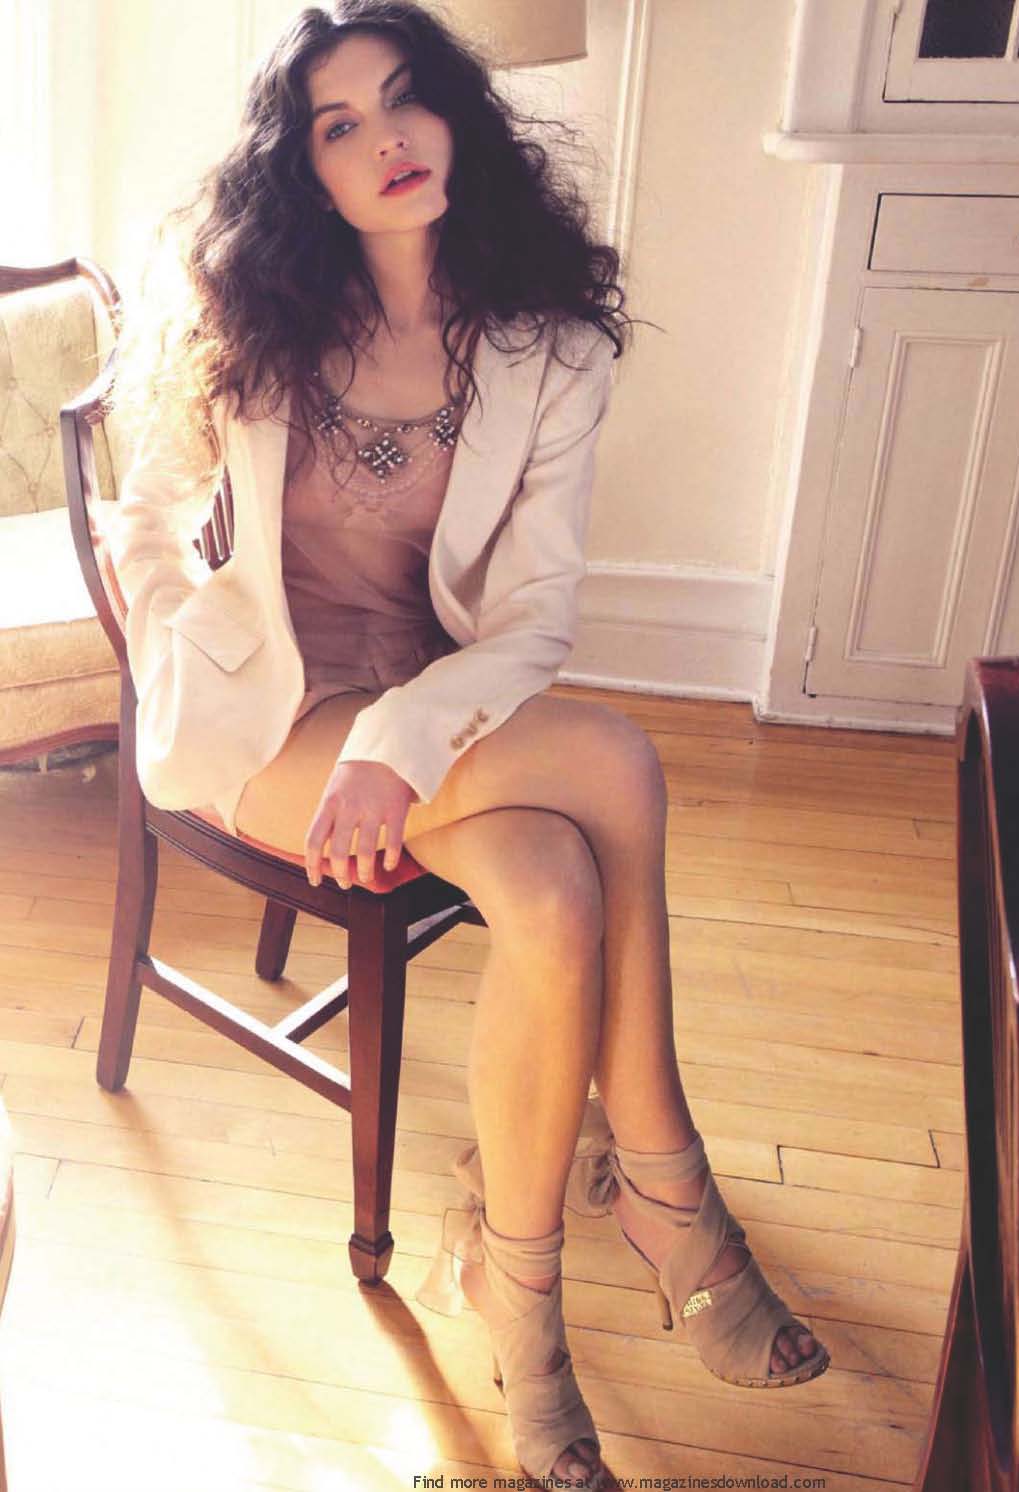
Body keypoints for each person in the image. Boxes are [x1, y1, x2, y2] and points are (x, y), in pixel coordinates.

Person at [106, 4, 830, 1487]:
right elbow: (144, 518)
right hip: (264, 719)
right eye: (340, 125)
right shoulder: (248, 306)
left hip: (427, 710)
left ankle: (524, 1299)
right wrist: (181, 641)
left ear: (455, 115)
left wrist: (403, 741)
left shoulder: (547, 343)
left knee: (556, 891)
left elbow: (533, 618)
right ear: (304, 170)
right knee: (617, 765)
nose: (387, 140)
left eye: (406, 99)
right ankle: (667, 1188)